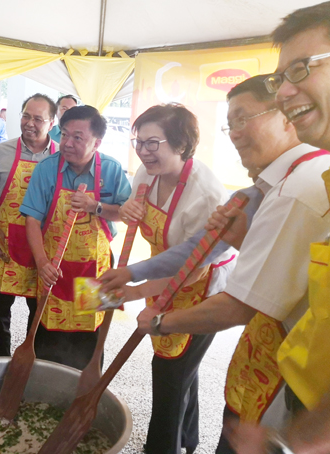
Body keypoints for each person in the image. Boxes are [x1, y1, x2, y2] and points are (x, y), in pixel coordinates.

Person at [132, 74, 330, 452]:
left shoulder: (291, 191)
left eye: (243, 119)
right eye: (230, 124)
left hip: (281, 366)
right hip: (264, 346)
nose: (235, 133)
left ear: (286, 115)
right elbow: (272, 266)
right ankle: (187, 443)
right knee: (185, 382)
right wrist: (134, 274)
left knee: (175, 381)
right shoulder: (273, 185)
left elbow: (222, 286)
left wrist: (156, 317)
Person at [222, 3, 330, 452]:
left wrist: (291, 442)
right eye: (280, 78)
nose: (285, 92)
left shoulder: (294, 189)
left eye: (302, 69)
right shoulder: (303, 180)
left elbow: (240, 304)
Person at [118, 103, 233, 454]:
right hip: (164, 274)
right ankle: (188, 441)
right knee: (184, 371)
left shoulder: (206, 194)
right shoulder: (145, 173)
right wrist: (126, 211)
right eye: (138, 142)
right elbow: (137, 219)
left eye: (152, 143)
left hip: (204, 288)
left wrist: (136, 290)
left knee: (169, 374)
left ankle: (162, 447)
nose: (142, 152)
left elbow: (192, 269)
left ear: (181, 144)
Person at [20, 105, 131, 370]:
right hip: (53, 267)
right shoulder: (46, 169)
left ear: (97, 142)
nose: (67, 143)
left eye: (77, 137)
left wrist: (97, 207)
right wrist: (42, 263)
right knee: (46, 333)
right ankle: (42, 393)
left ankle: (84, 398)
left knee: (90, 337)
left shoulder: (112, 170)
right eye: (64, 134)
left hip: (95, 268)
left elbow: (128, 215)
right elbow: (32, 220)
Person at [0, 94, 58, 356]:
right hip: (6, 244)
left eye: (38, 118)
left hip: (43, 249)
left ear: (52, 122)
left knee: (38, 313)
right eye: (26, 115)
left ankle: (31, 363)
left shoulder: (62, 157)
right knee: (0, 314)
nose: (30, 123)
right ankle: (0, 362)